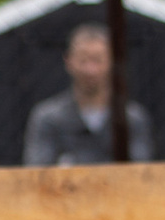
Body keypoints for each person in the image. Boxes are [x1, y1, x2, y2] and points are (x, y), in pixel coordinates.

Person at [22, 23, 153, 166]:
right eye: (83, 60)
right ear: (69, 61)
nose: (90, 70)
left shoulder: (132, 118)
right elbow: (37, 172)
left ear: (113, 61)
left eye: (97, 60)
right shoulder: (48, 118)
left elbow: (140, 173)